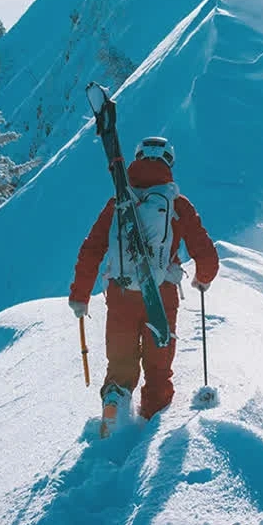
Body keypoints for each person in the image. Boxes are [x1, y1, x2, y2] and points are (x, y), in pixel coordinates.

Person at [69, 135, 219, 428]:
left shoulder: (118, 201)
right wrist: (202, 278)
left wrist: (80, 295)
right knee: (158, 368)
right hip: (161, 295)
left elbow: (92, 249)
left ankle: (115, 405)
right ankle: (152, 427)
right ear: (169, 162)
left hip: (121, 293)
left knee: (120, 363)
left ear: (137, 159)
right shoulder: (176, 202)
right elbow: (205, 252)